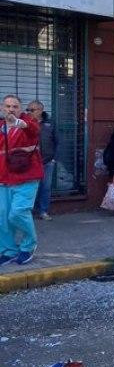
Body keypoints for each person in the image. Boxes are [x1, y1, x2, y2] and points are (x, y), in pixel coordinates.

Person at [0, 94, 43, 266]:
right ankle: (8, 250)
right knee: (2, 217)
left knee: (17, 212)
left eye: (15, 106)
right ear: (3, 108)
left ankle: (28, 246)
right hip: (4, 179)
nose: (11, 109)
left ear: (20, 108)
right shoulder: (1, 127)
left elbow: (33, 130)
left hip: (26, 178)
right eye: (8, 106)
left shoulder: (28, 123)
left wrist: (16, 122)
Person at [28, 101, 58, 221]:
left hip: (47, 161)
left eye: (32, 110)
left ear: (40, 110)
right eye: (28, 110)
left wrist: (54, 158)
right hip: (31, 162)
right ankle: (29, 212)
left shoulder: (50, 124)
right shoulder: (26, 123)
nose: (29, 112)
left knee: (45, 187)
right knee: (31, 187)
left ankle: (43, 211)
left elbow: (57, 142)